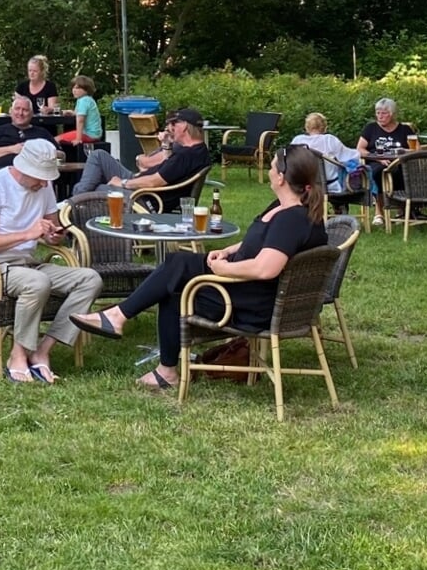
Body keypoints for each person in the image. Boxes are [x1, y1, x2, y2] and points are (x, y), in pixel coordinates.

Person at [69, 146, 328, 391]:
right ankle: (128, 328)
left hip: (249, 301)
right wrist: (229, 251)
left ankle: (147, 350)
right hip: (247, 286)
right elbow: (263, 241)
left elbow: (265, 268)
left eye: (272, 167)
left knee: (173, 290)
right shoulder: (288, 209)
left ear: (281, 177)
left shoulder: (291, 219)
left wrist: (223, 270)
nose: (269, 171)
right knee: (175, 264)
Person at [0, 140, 102, 384]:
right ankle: (17, 355)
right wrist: (26, 234)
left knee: (90, 279)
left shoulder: (44, 187)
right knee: (38, 281)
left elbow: (52, 234)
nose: (44, 183)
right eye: (40, 178)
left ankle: (43, 350)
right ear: (23, 168)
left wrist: (54, 235)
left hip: (29, 263)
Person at [74, 106, 210, 195]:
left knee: (89, 190)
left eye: (173, 124)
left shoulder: (186, 155)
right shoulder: (196, 150)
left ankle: (67, 214)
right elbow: (167, 168)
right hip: (140, 183)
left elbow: (154, 182)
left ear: (184, 126)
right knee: (98, 156)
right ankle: (68, 212)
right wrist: (167, 145)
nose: (168, 128)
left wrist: (122, 183)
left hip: (143, 195)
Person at [355, 97, 415, 226]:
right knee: (377, 172)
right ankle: (379, 212)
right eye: (378, 113)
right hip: (377, 162)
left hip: (400, 162)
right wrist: (377, 157)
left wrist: (404, 152)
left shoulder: (405, 130)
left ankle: (401, 209)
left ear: (392, 114)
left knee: (401, 172)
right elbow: (360, 149)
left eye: (384, 113)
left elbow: (417, 150)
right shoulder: (371, 128)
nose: (380, 116)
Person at [0, 96, 58, 170]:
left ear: (31, 114)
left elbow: (61, 155)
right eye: (17, 109)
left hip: (35, 174)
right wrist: (12, 149)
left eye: (25, 110)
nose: (20, 113)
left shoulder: (41, 132)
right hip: (4, 173)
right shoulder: (0, 130)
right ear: (10, 111)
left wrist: (38, 151)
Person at [292, 112, 360, 194]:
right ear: (324, 126)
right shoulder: (329, 140)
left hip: (303, 184)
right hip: (329, 185)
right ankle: (339, 206)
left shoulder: (298, 141)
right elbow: (349, 156)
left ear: (307, 127)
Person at [56, 75, 103, 148]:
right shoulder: (87, 99)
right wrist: (71, 112)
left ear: (86, 89)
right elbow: (80, 113)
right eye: (73, 87)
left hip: (88, 135)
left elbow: (80, 120)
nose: (74, 90)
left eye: (77, 88)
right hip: (95, 134)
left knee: (55, 140)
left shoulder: (84, 101)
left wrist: (78, 139)